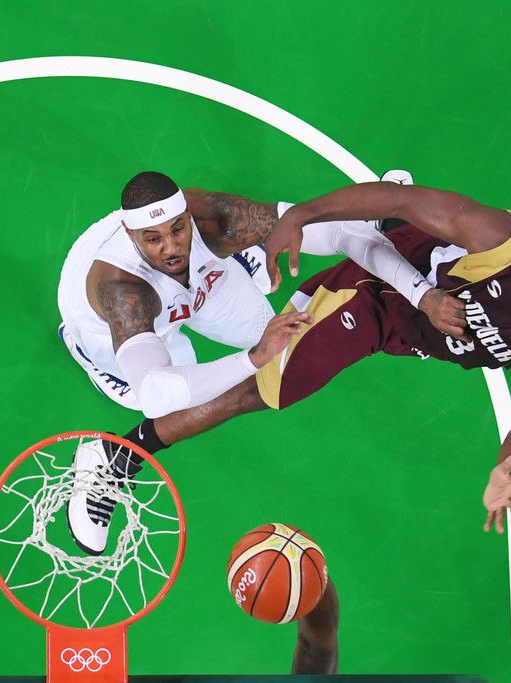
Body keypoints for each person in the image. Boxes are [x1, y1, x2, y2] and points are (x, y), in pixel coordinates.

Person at [112, 175, 511, 535]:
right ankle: (125, 452)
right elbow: (401, 199)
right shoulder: (506, 244)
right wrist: (301, 216)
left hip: (410, 334)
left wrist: (509, 470)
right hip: (378, 296)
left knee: (271, 367)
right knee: (266, 387)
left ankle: (379, 233)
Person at [59, 170, 457, 553]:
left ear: (187, 215)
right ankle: (100, 436)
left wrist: (416, 287)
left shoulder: (212, 218)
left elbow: (339, 232)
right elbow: (154, 393)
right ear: (131, 234)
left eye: (178, 229)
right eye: (154, 238)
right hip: (108, 326)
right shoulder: (120, 289)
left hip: (200, 285)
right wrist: (251, 360)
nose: (171, 248)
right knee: (170, 396)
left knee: (271, 338)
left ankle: (241, 250)